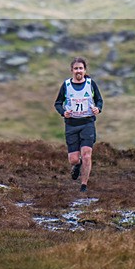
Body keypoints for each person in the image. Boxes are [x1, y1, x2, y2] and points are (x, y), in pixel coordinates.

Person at [54, 57, 103, 193]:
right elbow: (57, 103)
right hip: (72, 124)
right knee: (73, 159)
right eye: (76, 68)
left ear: (85, 70)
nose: (78, 71)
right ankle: (77, 164)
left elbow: (99, 100)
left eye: (80, 68)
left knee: (87, 154)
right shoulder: (66, 86)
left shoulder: (90, 84)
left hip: (87, 123)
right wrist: (64, 112)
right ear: (72, 71)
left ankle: (83, 185)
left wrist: (97, 109)